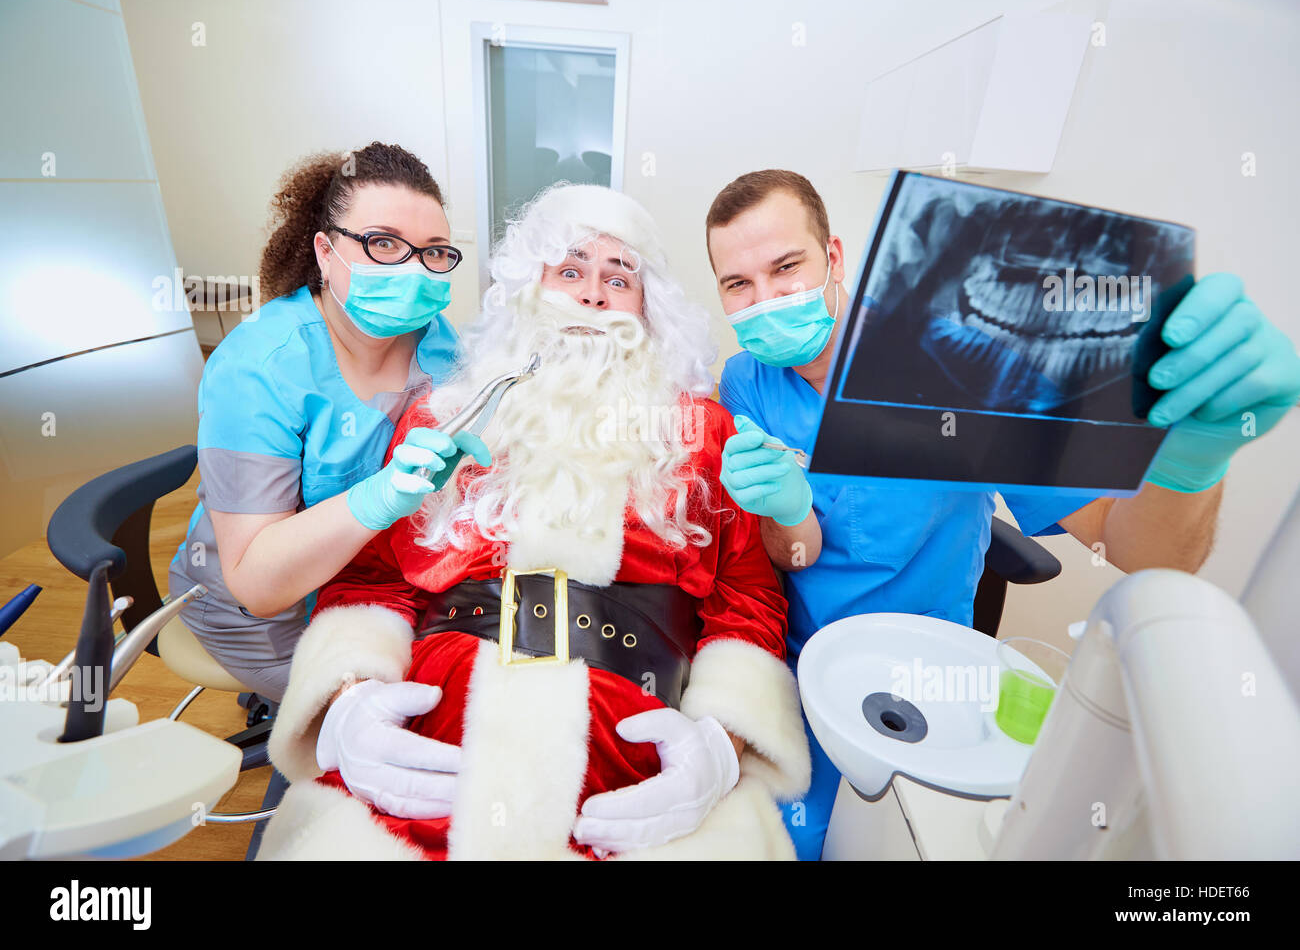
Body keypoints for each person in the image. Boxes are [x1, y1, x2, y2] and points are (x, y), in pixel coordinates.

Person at [705, 169, 1300, 860]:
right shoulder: (746, 380)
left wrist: (1191, 462)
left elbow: (1142, 555)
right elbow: (788, 553)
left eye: (786, 267)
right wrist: (787, 510)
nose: (767, 301)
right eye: (737, 285)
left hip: (929, 675)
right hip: (799, 666)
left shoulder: (967, 364)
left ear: (833, 258)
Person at [256, 183, 811, 860]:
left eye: (619, 278)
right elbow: (375, 578)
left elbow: (747, 598)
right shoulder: (445, 415)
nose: (594, 295)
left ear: (648, 307)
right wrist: (347, 706)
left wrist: (719, 747)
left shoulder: (703, 429)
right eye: (569, 271)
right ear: (527, 292)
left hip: (632, 746)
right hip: (438, 732)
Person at [167, 142, 488, 704]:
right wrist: (377, 498)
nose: (414, 270)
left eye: (435, 252)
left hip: (375, 582)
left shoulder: (436, 340)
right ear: (324, 250)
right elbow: (256, 582)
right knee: (411, 711)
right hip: (263, 613)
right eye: (383, 243)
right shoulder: (260, 368)